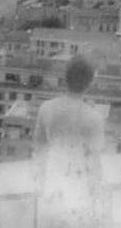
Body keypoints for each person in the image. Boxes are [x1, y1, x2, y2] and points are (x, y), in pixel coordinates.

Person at [33, 56, 106, 228]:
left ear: (65, 79)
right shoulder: (94, 118)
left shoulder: (46, 108)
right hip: (79, 193)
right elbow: (95, 165)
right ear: (89, 83)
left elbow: (38, 150)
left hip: (52, 191)